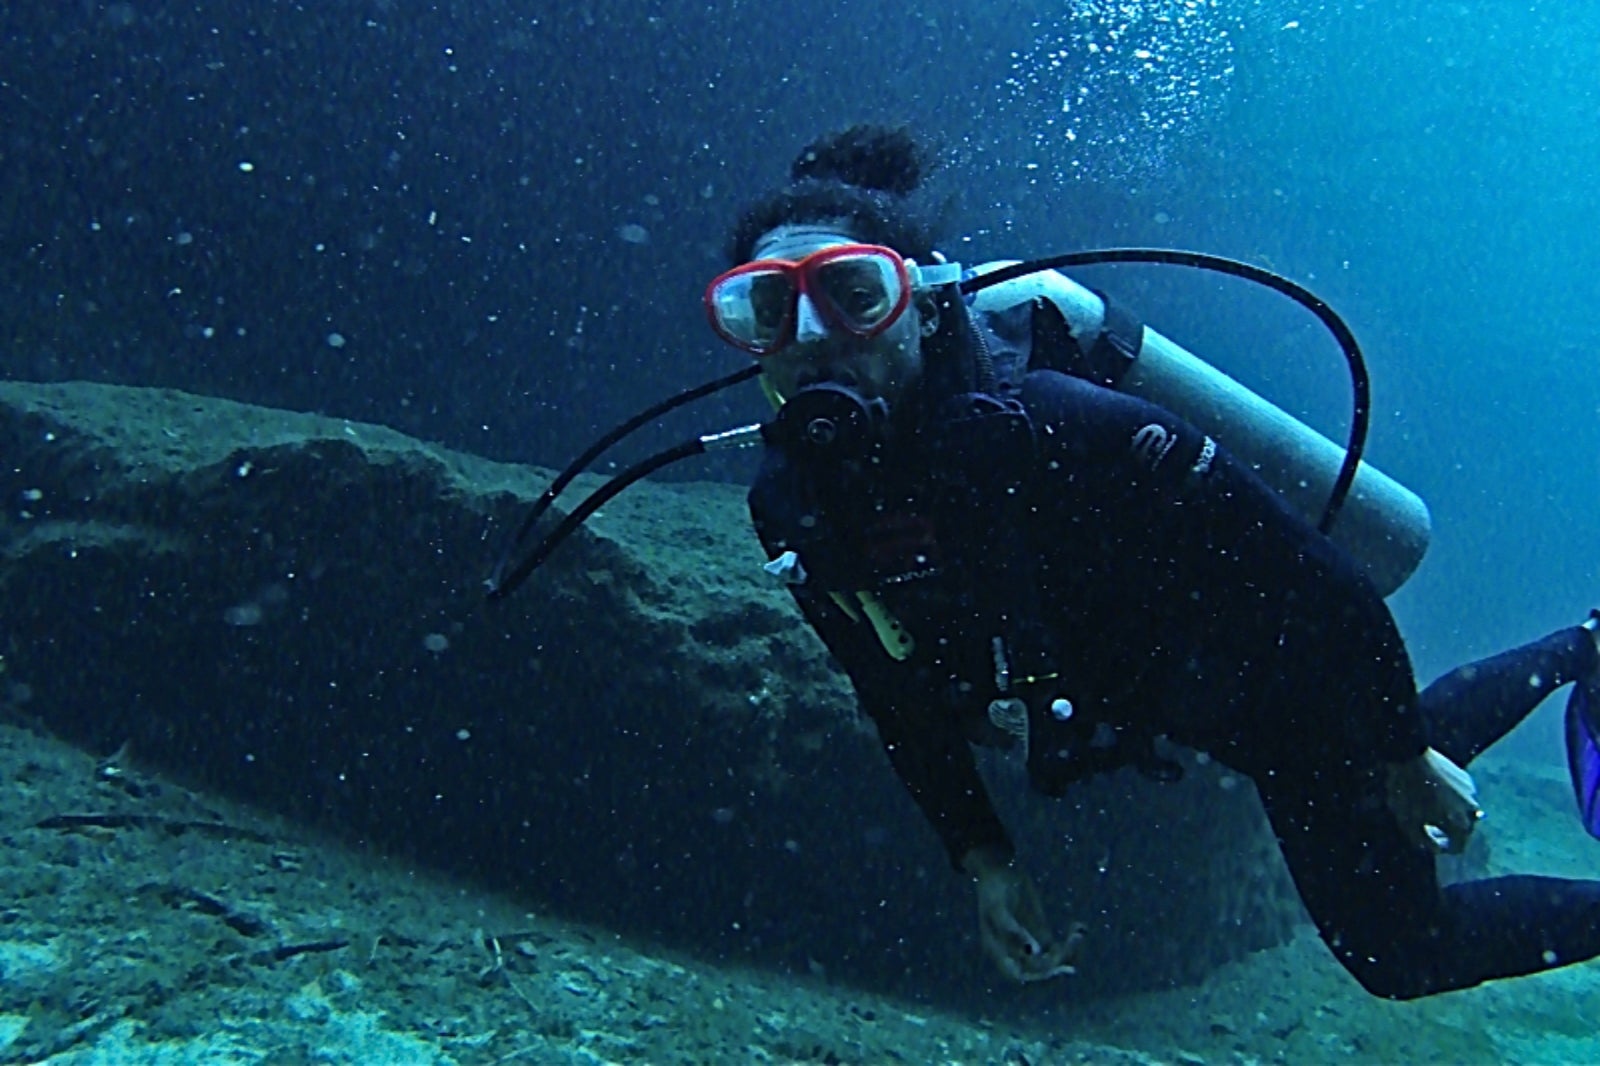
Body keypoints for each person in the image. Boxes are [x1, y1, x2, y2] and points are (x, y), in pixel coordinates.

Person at [707, 124, 1600, 998]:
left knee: (1403, 953)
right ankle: (1583, 646)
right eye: (767, 307)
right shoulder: (796, 512)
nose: (815, 336)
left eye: (854, 293)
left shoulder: (1064, 423)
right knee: (1402, 751)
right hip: (1217, 709)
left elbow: (1318, 575)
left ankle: (1552, 666)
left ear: (923, 299)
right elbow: (892, 696)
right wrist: (986, 862)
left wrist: (1402, 756)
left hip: (1285, 688)